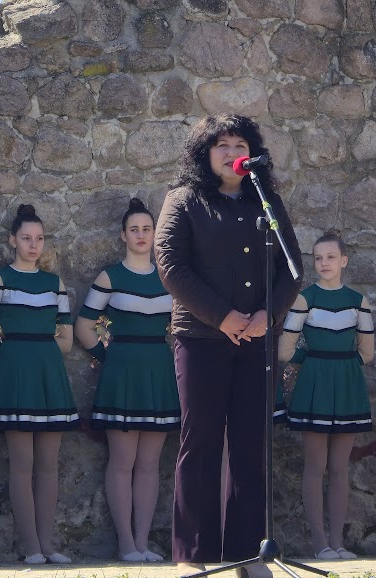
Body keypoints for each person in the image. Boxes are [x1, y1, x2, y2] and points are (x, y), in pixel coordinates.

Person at [153, 115, 302, 577]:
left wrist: (266, 316)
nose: (231, 151)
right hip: (201, 339)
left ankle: (247, 555)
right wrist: (223, 316)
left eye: (240, 144)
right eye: (222, 144)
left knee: (251, 445)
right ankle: (192, 555)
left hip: (256, 341)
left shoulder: (266, 200)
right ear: (205, 153)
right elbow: (171, 267)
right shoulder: (183, 200)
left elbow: (292, 267)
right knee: (200, 443)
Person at [75, 198, 178, 563]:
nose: (141, 235)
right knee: (122, 461)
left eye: (147, 229)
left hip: (158, 375)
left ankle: (143, 543)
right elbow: (83, 327)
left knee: (150, 463)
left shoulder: (170, 278)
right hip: (121, 377)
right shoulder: (110, 277)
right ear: (123, 235)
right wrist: (110, 359)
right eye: (134, 229)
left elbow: (182, 329)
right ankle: (125, 544)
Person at [0, 204, 77, 565]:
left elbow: (66, 340)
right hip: (14, 375)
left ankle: (48, 546)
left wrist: (40, 353)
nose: (33, 245)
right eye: (26, 238)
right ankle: (31, 547)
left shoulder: (54, 283)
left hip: (49, 376)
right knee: (22, 463)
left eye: (39, 239)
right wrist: (14, 354)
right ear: (12, 240)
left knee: (49, 464)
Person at [278, 231, 375, 560]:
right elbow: (284, 350)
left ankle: (338, 542)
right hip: (314, 386)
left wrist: (340, 365)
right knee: (315, 465)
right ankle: (320, 543)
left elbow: (368, 353)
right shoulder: (304, 299)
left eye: (331, 257)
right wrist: (312, 360)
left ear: (344, 261)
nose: (324, 263)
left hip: (347, 386)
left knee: (339, 467)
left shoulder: (358, 301)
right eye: (318, 258)